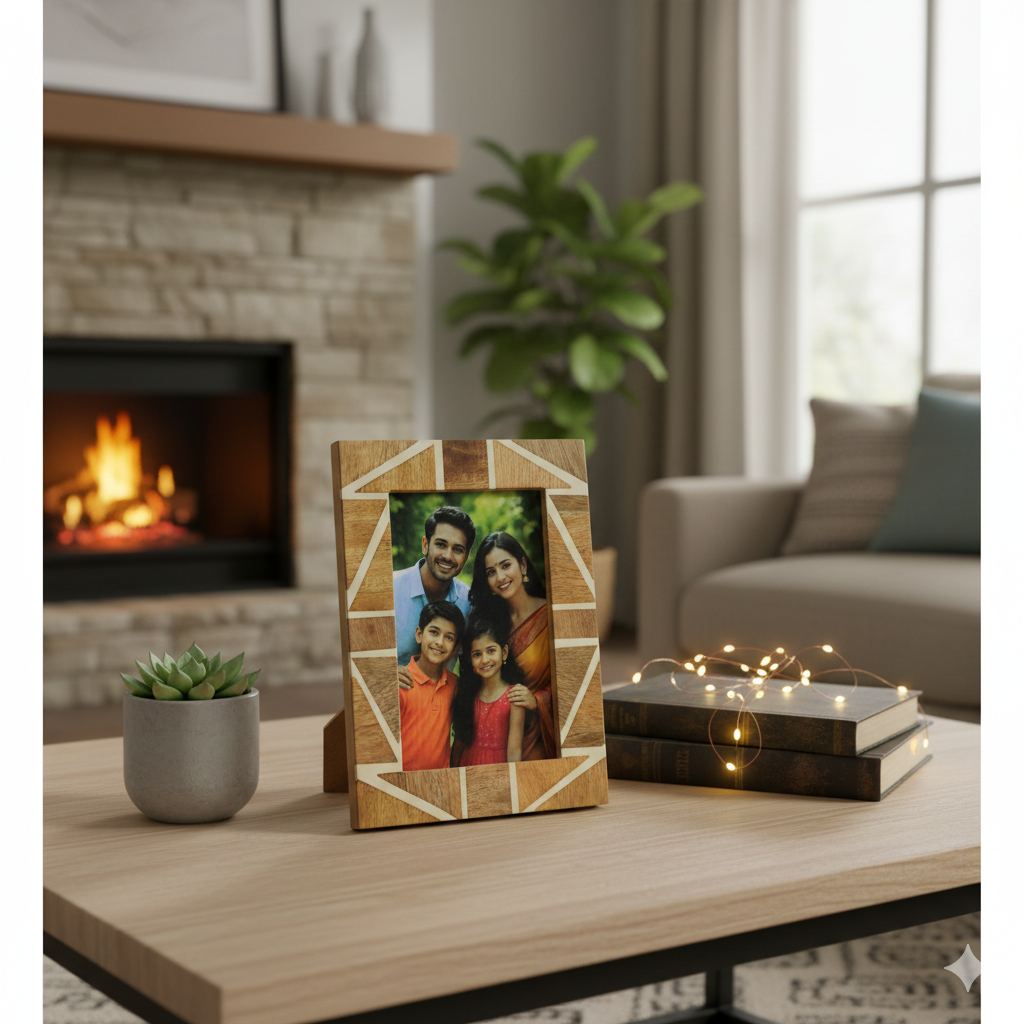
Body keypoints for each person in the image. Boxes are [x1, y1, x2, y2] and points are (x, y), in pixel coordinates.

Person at [468, 531, 556, 760]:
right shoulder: (490, 624)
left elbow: (573, 683)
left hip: (537, 735)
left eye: (506, 565)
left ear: (523, 566)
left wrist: (537, 700)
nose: (500, 577)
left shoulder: (552, 616)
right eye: (491, 572)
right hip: (494, 735)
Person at [392, 505, 475, 676]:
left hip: (439, 700)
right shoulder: (390, 588)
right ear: (425, 545)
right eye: (441, 545)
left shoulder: (469, 603)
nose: (448, 556)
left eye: (458, 549)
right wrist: (385, 673)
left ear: (466, 556)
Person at [398, 601, 465, 772]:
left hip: (440, 784)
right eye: (434, 632)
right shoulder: (400, 682)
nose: (440, 642)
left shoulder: (455, 685)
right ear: (419, 634)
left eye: (449, 637)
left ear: (456, 647)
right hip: (403, 783)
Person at [451, 615, 526, 766]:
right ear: (470, 660)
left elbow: (514, 752)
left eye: (491, 651)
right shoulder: (468, 695)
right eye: (477, 654)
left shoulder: (514, 697)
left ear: (504, 653)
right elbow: (459, 744)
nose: (485, 660)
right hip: (467, 765)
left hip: (499, 769)